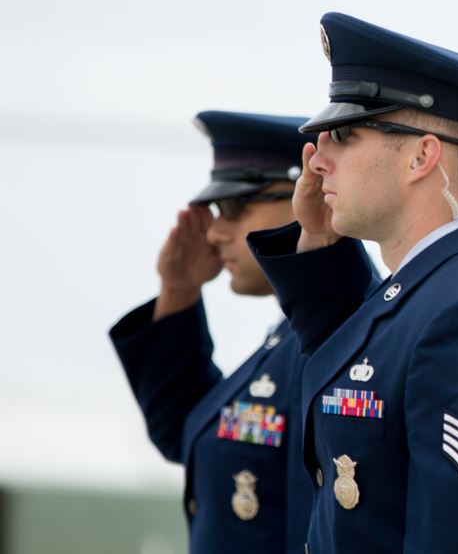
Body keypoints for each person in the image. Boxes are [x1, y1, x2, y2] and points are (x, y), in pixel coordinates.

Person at [247, 12, 458, 553]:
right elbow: (357, 359)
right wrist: (320, 242)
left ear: (422, 155)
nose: (317, 160)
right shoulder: (435, 290)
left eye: (345, 134)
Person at [110, 111, 374, 554]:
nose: (214, 231)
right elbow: (191, 433)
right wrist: (178, 292)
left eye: (234, 207)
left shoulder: (339, 335)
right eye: (215, 210)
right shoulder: (290, 338)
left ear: (310, 192)